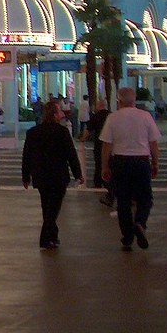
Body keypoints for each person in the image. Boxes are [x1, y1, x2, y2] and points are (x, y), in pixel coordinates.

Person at [100, 86, 161, 251]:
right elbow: (153, 143)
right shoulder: (145, 117)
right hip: (141, 161)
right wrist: (155, 163)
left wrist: (105, 166)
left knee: (123, 201)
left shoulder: (113, 118)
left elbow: (107, 145)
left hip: (120, 161)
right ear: (134, 101)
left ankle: (127, 237)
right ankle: (140, 222)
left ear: (119, 101)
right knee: (145, 197)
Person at [22, 100, 83, 250]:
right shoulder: (62, 132)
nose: (63, 113)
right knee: (53, 208)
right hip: (58, 176)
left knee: (47, 206)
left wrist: (26, 176)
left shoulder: (33, 132)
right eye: (60, 110)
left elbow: (27, 156)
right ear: (55, 115)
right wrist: (78, 174)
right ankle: (45, 238)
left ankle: (53, 237)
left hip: (41, 175)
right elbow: (71, 155)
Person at [84, 99, 112, 206]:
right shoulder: (111, 116)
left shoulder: (96, 117)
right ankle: (108, 183)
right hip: (111, 145)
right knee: (110, 164)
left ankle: (98, 183)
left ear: (98, 106)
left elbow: (88, 130)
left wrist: (82, 138)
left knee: (99, 164)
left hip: (99, 144)